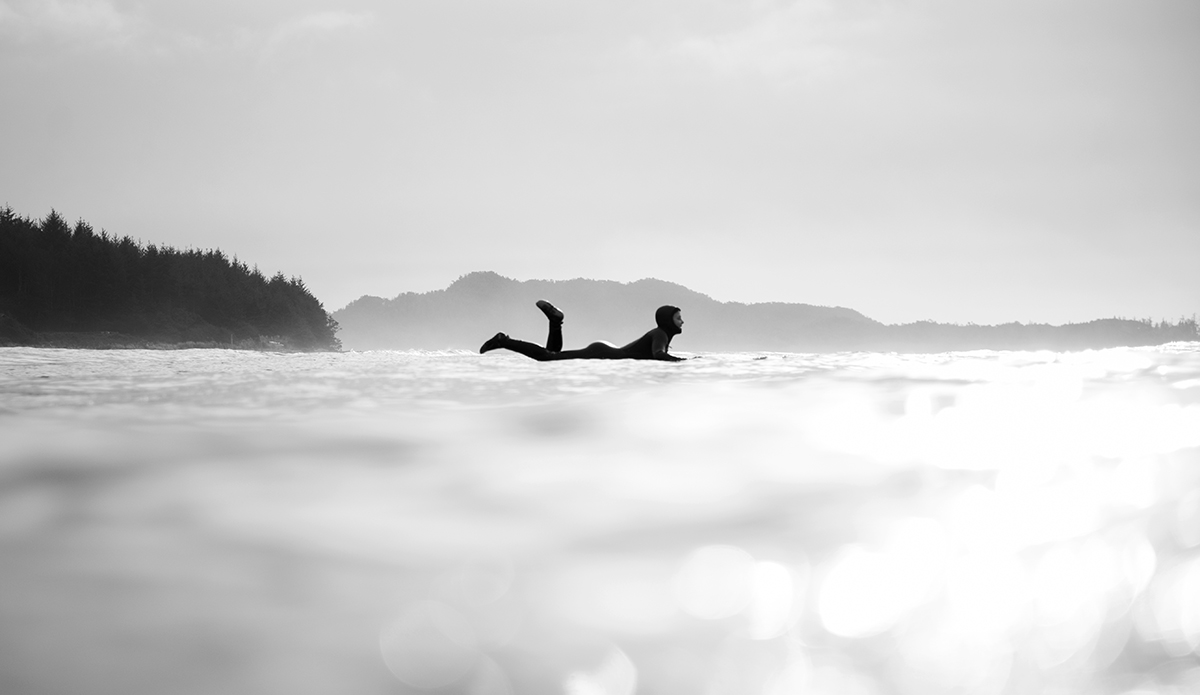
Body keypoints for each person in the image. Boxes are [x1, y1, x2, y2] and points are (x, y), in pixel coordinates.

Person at [480, 301, 686, 361]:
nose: (682, 322)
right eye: (678, 318)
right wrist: (682, 362)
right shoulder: (660, 334)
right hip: (601, 353)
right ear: (667, 321)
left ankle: (555, 321)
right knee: (546, 358)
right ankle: (503, 341)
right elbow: (658, 355)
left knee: (551, 357)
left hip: (605, 352)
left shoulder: (660, 335)